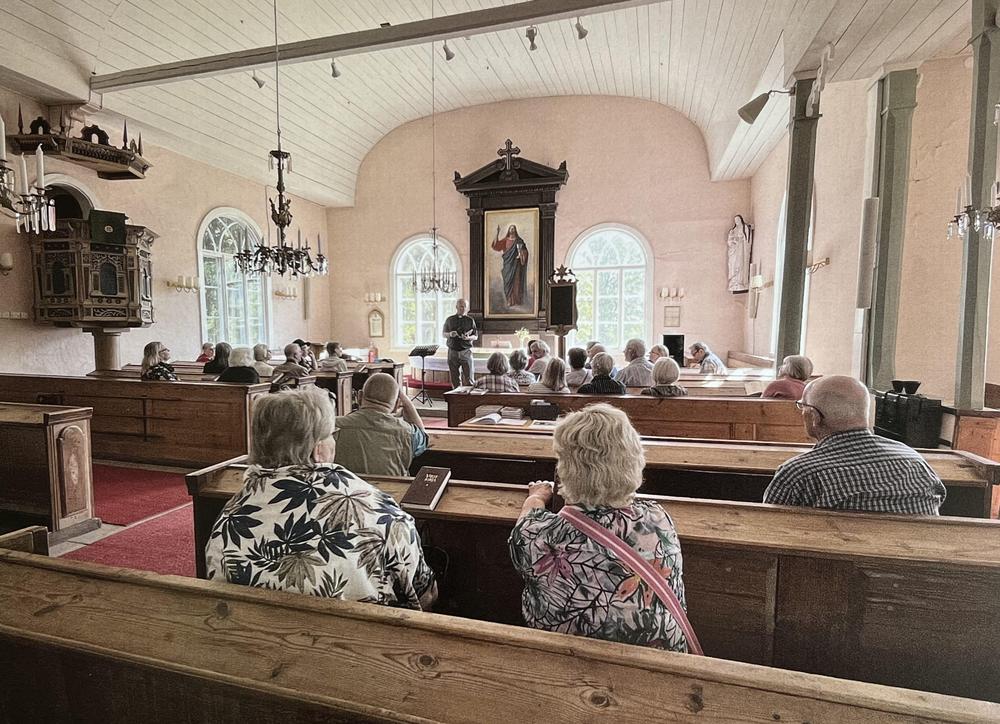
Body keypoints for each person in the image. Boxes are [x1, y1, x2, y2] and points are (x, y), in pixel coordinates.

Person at [205, 385, 436, 609]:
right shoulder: (381, 513)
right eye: (332, 435)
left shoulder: (230, 516)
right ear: (318, 450)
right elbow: (424, 594)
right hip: (356, 635)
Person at [508, 404, 692, 651]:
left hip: (563, 667)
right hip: (660, 667)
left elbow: (526, 521)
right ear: (633, 460)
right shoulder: (659, 520)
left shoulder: (541, 534)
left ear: (565, 469)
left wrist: (536, 497)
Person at [763, 375, 947, 514]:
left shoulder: (800, 473)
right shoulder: (915, 461)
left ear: (815, 417)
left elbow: (769, 524)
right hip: (916, 555)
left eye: (802, 406)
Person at [334, 373, 429, 477]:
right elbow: (423, 439)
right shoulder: (408, 433)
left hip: (347, 487)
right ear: (397, 404)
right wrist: (408, 404)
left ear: (359, 396)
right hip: (391, 488)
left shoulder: (333, 426)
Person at [492, 223, 529, 308]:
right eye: (511, 228)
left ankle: (515, 300)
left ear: (515, 230)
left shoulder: (519, 241)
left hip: (516, 264)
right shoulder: (505, 240)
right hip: (507, 265)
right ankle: (509, 299)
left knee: (516, 282)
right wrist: (497, 233)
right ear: (509, 230)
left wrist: (521, 254)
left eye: (513, 228)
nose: (512, 230)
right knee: (507, 282)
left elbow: (525, 251)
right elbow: (496, 246)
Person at [442, 298, 477, 388]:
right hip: (452, 352)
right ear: (456, 307)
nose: (463, 308)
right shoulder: (449, 319)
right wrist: (450, 334)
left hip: (466, 352)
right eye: (461, 306)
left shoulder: (470, 320)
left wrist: (468, 337)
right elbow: (443, 334)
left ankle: (469, 396)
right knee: (455, 380)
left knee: (469, 380)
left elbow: (475, 336)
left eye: (465, 307)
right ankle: (456, 395)